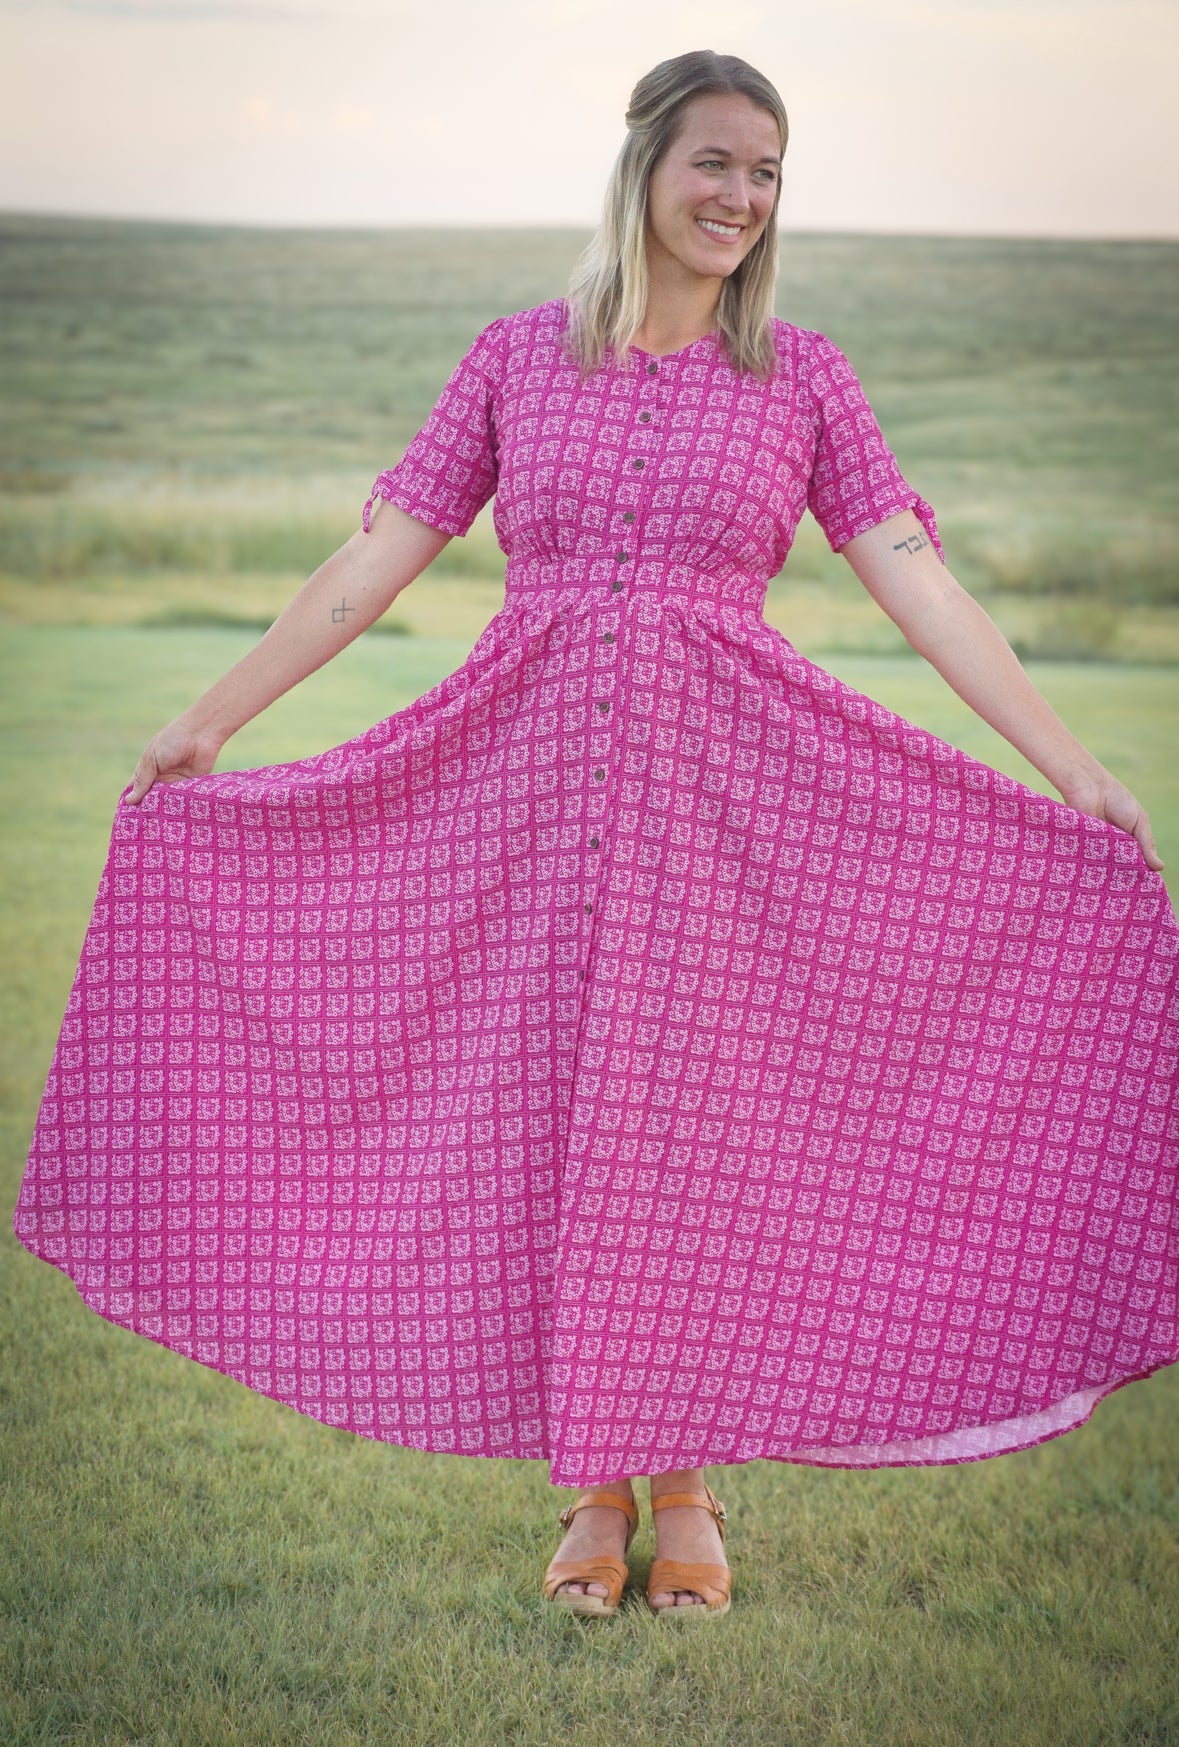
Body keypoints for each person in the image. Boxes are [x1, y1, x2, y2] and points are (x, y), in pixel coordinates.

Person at [14, 51, 1178, 1624]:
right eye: (715, 163)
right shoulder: (515, 358)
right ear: (643, 167)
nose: (740, 199)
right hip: (525, 799)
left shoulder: (806, 378)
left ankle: (682, 1475)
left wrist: (1067, 763)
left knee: (691, 1124)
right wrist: (216, 716)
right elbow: (381, 555)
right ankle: (599, 1476)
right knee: (552, 1118)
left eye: (767, 174)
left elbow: (917, 578)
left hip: (729, 806)